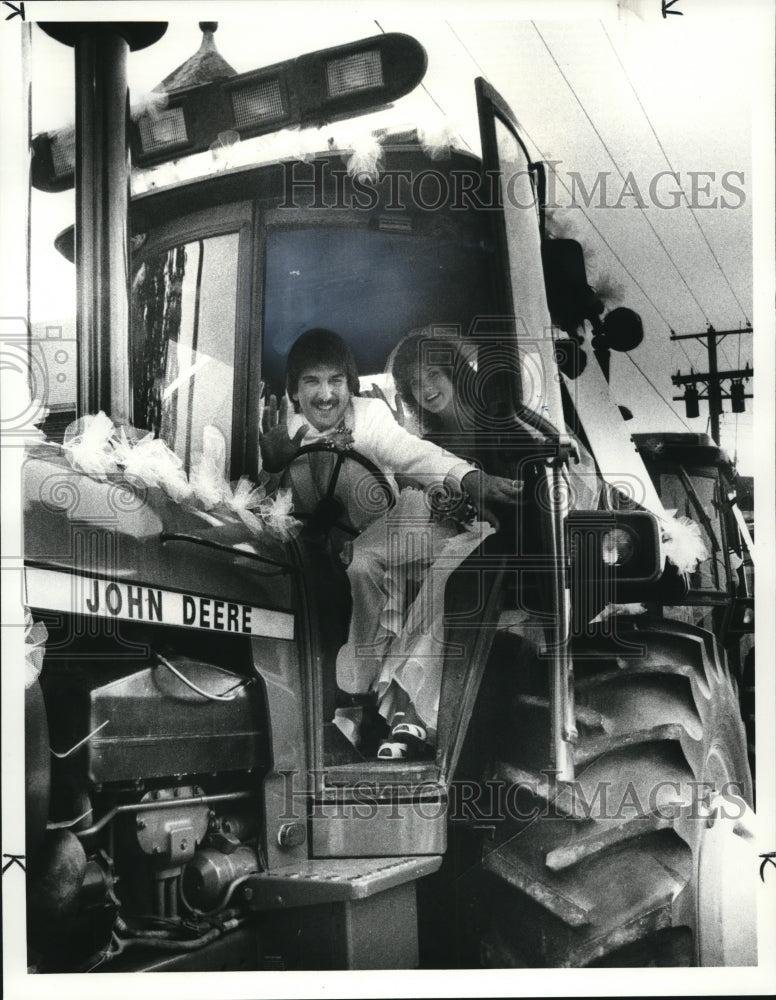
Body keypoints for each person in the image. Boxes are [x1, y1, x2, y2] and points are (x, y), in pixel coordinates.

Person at [260, 328, 520, 757]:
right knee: (351, 566)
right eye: (311, 383)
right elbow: (265, 498)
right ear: (294, 390)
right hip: (333, 548)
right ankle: (343, 704)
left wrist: (472, 482)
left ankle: (380, 706)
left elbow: (412, 454)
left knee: (390, 563)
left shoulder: (370, 418)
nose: (325, 395)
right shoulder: (281, 431)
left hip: (410, 530)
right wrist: (272, 466)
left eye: (335, 382)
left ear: (350, 384)